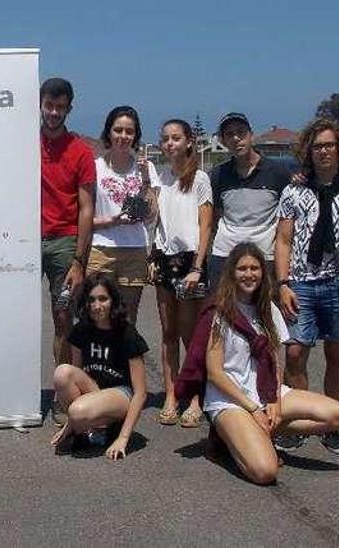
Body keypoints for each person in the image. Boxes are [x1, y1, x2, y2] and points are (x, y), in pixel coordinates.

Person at [203, 243, 339, 485]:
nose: (249, 274)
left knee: (336, 416)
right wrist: (252, 408)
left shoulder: (268, 309)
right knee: (265, 471)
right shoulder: (220, 312)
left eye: (255, 268)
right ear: (231, 273)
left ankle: (250, 434)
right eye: (242, 269)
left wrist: (275, 402)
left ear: (262, 272)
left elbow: (274, 363)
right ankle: (228, 436)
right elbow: (215, 373)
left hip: (265, 391)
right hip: (231, 399)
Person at [273, 119, 339, 454]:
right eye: (318, 146)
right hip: (301, 281)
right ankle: (298, 422)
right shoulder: (294, 190)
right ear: (308, 151)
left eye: (330, 145)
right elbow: (283, 240)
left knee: (337, 352)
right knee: (296, 352)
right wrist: (283, 282)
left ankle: (333, 424)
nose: (324, 151)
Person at [39, 77, 95, 422]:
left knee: (64, 318)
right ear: (41, 104)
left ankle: (64, 394)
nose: (54, 112)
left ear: (69, 109)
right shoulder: (24, 144)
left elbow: (86, 208)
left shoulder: (81, 151)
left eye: (61, 107)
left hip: (64, 244)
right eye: (49, 105)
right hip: (23, 241)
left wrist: (79, 259)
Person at [150, 119, 212, 429]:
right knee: (168, 333)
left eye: (176, 138)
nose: (170, 143)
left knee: (191, 334)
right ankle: (171, 395)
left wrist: (198, 267)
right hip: (164, 261)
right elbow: (155, 221)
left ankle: (196, 397)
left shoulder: (200, 178)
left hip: (190, 263)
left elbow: (206, 226)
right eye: (165, 138)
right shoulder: (160, 178)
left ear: (189, 141)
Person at [49, 273, 149, 459]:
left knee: (77, 411)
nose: (97, 306)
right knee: (62, 373)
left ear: (113, 301)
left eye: (103, 299)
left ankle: (107, 428)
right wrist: (71, 422)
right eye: (92, 300)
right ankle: (84, 430)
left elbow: (141, 393)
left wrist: (124, 438)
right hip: (94, 390)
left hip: (121, 395)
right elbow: (76, 374)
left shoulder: (126, 333)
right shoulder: (81, 330)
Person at [87, 105, 157, 327]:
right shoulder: (94, 167)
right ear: (108, 132)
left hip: (135, 250)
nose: (123, 136)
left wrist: (146, 180)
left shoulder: (145, 168)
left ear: (136, 135)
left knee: (127, 318)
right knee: (97, 316)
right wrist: (113, 221)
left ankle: (123, 362)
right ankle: (96, 361)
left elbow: (152, 215)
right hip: (100, 250)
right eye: (118, 130)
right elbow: (84, 218)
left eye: (129, 131)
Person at [206, 112, 291, 285]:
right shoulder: (217, 175)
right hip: (224, 256)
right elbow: (213, 217)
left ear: (251, 135)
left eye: (241, 132)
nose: (236, 138)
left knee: (265, 311)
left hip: (264, 257)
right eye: (229, 135)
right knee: (221, 310)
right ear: (222, 141)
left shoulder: (278, 173)